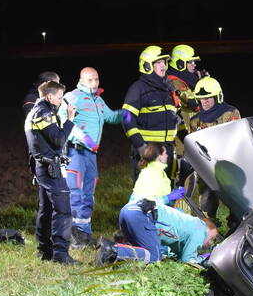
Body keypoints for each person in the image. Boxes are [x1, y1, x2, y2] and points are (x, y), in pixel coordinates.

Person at [63, 67, 124, 244]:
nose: (94, 83)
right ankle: (73, 235)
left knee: (88, 194)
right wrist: (83, 138)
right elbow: (63, 121)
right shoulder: (72, 96)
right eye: (90, 80)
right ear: (81, 80)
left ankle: (84, 233)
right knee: (76, 193)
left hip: (91, 155)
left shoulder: (98, 100)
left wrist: (129, 114)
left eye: (96, 79)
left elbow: (111, 117)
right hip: (76, 152)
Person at [24, 80, 79, 264]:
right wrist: (70, 120)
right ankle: (61, 255)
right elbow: (58, 140)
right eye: (59, 97)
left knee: (46, 210)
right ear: (49, 96)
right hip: (50, 169)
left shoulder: (35, 111)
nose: (61, 101)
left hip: (42, 167)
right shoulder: (44, 113)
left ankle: (45, 251)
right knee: (63, 211)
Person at [187, 77, 241, 223]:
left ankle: (236, 222)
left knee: (235, 197)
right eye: (201, 99)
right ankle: (209, 225)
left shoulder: (230, 113)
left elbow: (235, 137)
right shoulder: (195, 121)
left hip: (228, 162)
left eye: (208, 98)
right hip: (207, 165)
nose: (204, 102)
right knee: (206, 199)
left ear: (218, 97)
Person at [122, 46, 181, 181]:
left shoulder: (168, 88)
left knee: (165, 187)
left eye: (164, 62)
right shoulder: (138, 88)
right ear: (147, 66)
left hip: (167, 150)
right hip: (149, 150)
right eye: (158, 62)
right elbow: (127, 119)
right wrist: (141, 147)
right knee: (147, 190)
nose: (163, 66)